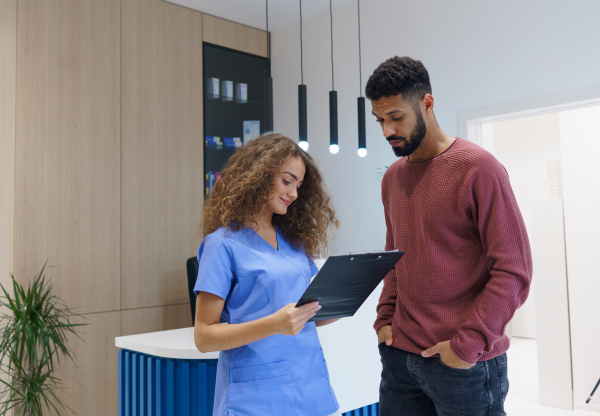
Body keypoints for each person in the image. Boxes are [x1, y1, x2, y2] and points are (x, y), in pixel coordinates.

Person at [365, 56, 533, 416]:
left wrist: (467, 345)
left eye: (396, 117)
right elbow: (395, 257)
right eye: (380, 120)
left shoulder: (479, 168)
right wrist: (384, 319)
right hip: (400, 359)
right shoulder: (392, 177)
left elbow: (514, 271)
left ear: (426, 103)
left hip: (462, 363)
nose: (387, 131)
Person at [193, 134, 342, 416]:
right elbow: (204, 337)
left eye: (298, 186)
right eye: (287, 181)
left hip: (309, 385)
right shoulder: (222, 244)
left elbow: (299, 316)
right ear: (258, 176)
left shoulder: (294, 241)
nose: (294, 194)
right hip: (256, 397)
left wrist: (345, 302)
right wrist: (273, 325)